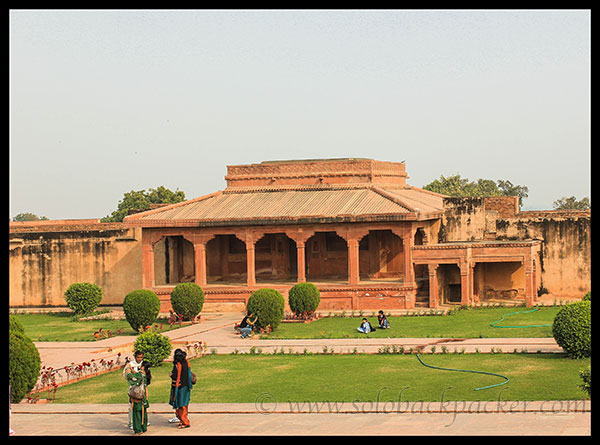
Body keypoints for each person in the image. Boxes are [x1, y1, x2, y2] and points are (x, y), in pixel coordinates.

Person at [169, 349, 193, 429]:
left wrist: (171, 375)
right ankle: (182, 420)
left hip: (180, 387)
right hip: (186, 386)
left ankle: (185, 422)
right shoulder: (186, 362)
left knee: (181, 405)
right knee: (183, 405)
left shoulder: (178, 364)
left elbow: (175, 376)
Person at [127, 360, 151, 435]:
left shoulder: (139, 375)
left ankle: (138, 430)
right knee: (143, 412)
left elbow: (130, 376)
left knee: (136, 413)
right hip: (143, 397)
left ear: (143, 367)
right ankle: (143, 427)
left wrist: (128, 370)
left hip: (138, 396)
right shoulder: (146, 375)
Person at [123, 351, 144, 430]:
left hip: (141, 388)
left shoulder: (143, 364)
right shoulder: (130, 365)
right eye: (138, 357)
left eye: (141, 357)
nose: (140, 359)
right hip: (133, 388)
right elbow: (127, 376)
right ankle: (130, 422)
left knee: (142, 405)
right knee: (131, 405)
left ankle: (142, 421)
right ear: (135, 357)